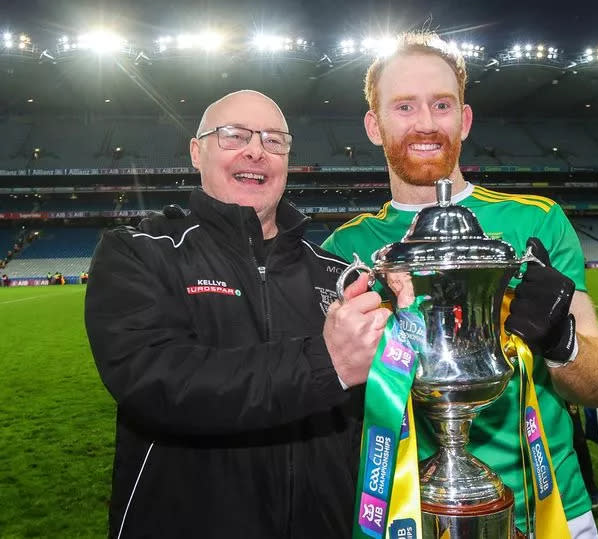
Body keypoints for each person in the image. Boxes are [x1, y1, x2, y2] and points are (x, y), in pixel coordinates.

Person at [321, 31, 598, 538]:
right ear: (374, 125)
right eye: (404, 106)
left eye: (442, 104)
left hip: (548, 510)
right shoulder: (344, 248)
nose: (426, 124)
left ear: (465, 118)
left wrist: (561, 344)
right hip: (401, 514)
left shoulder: (536, 224)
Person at [85, 90, 394, 538]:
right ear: (197, 151)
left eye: (273, 140)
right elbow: (157, 381)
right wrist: (325, 363)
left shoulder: (336, 275)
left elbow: (374, 421)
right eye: (233, 136)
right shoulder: (140, 253)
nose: (256, 150)